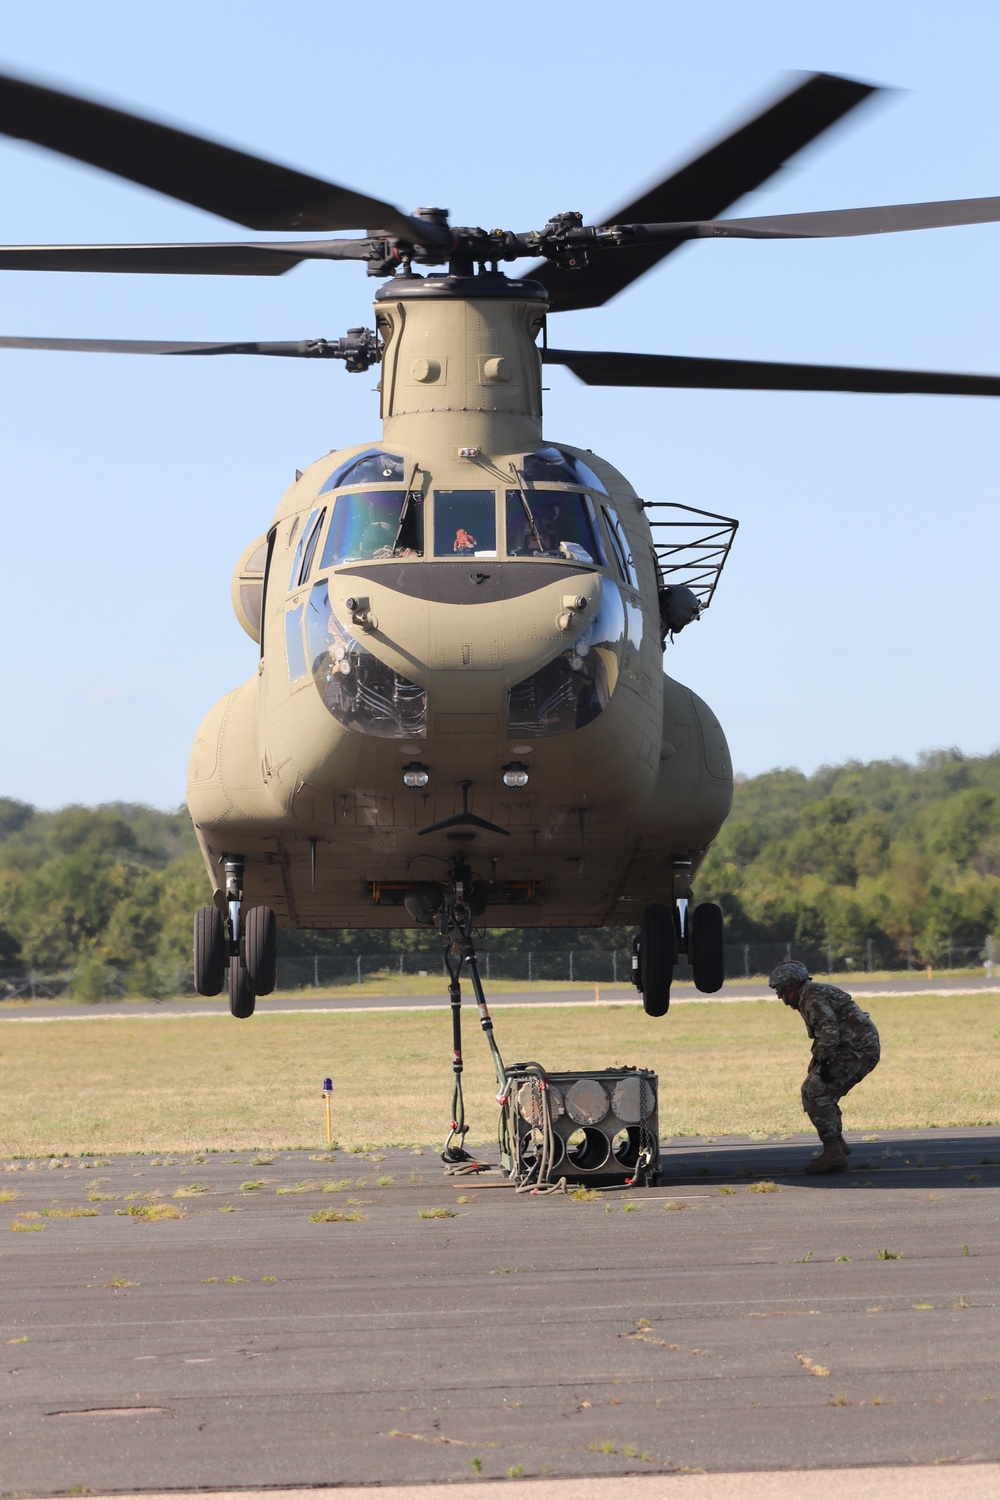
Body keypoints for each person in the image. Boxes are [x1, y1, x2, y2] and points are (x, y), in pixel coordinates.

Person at [768, 960, 881, 1175]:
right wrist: (818, 1062)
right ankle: (836, 1144)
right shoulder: (812, 993)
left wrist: (825, 1062)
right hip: (855, 1048)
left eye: (781, 992)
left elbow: (829, 1029)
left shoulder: (810, 997)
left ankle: (833, 1152)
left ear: (792, 986)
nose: (781, 999)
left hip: (856, 1051)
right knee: (816, 1089)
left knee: (816, 1091)